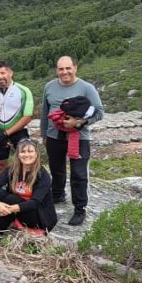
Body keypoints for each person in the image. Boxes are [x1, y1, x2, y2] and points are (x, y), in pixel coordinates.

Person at [40, 56, 104, 226]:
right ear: (56, 70)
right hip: (54, 136)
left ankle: (80, 209)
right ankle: (58, 195)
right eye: (61, 69)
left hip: (79, 136)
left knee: (79, 174)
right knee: (56, 169)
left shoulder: (86, 88)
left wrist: (79, 122)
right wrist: (44, 133)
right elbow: (44, 110)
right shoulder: (49, 87)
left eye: (68, 68)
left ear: (75, 68)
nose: (65, 72)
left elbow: (99, 112)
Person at [0, 138, 58, 236]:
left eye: (30, 151)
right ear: (18, 155)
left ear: (36, 154)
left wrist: (6, 209)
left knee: (11, 198)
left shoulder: (42, 175)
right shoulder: (12, 170)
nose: (26, 155)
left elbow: (35, 203)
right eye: (23, 151)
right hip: (18, 209)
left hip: (39, 216)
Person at [0, 61, 34, 173]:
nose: (0, 76)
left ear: (11, 73)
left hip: (18, 131)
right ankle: (3, 187)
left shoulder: (24, 91)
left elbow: (27, 116)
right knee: (1, 164)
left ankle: (26, 186)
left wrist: (7, 133)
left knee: (25, 161)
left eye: (3, 73)